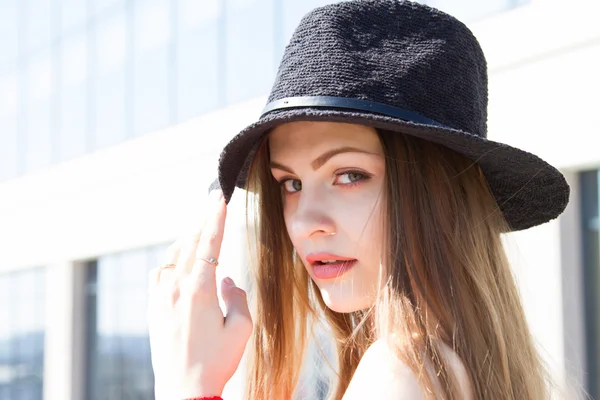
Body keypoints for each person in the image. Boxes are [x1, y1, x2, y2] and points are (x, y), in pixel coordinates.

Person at [146, 1, 572, 399]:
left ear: (439, 195)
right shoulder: (457, 365)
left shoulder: (400, 372)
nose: (303, 222)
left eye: (349, 175)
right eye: (290, 184)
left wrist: (191, 385)